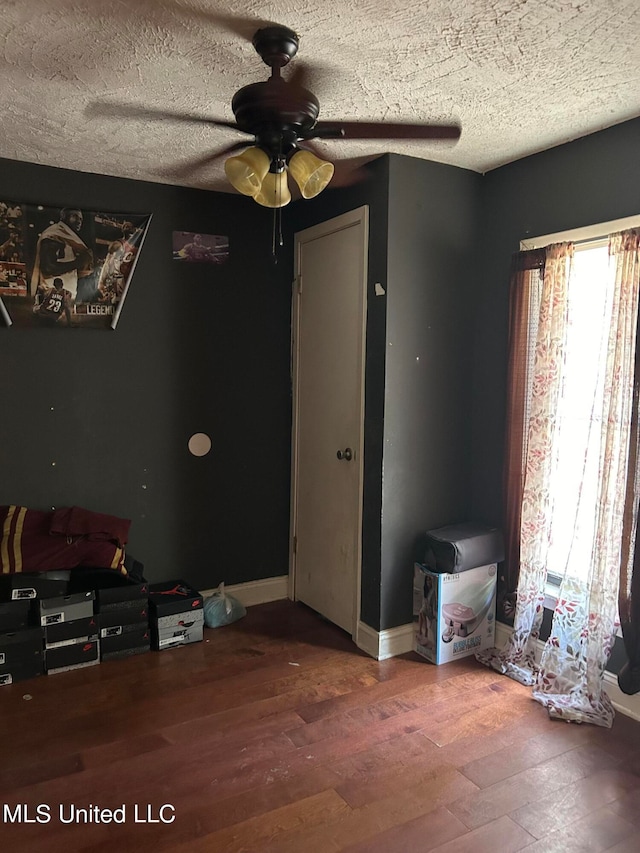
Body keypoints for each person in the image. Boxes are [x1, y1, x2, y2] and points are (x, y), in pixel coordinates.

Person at [30, 208, 94, 304]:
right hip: (50, 293)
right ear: (64, 216)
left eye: (81, 219)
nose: (79, 221)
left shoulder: (69, 238)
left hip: (66, 295)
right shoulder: (53, 233)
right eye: (75, 216)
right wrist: (78, 262)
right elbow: (48, 267)